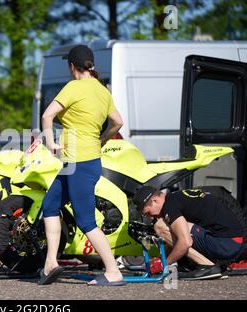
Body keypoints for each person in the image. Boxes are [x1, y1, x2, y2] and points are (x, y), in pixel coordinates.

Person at [39, 45, 125, 286]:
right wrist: (102, 139)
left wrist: (51, 143)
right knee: (50, 204)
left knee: (86, 220)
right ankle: (50, 264)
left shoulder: (74, 87)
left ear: (72, 66)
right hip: (83, 161)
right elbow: (118, 122)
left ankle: (112, 271)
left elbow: (47, 116)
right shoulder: (102, 90)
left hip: (79, 162)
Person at [133, 186, 244, 280]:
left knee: (160, 226)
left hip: (226, 244)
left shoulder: (169, 205)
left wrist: (164, 264)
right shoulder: (178, 197)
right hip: (231, 242)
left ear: (155, 201)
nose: (150, 217)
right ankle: (196, 264)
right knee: (177, 230)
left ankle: (207, 266)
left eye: (148, 213)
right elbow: (174, 239)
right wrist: (159, 258)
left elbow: (185, 242)